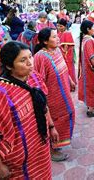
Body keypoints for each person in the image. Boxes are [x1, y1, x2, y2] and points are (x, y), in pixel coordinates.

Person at [0, 41, 55, 179]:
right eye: (23, 60)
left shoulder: (34, 77)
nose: (30, 63)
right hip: (18, 165)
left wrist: (51, 126)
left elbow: (43, 106)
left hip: (39, 151)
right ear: (9, 65)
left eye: (30, 57)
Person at [33, 28, 75, 162]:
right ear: (45, 41)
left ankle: (57, 144)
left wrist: (70, 80)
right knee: (54, 122)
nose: (58, 39)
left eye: (57, 36)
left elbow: (63, 68)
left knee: (67, 115)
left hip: (64, 94)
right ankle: (52, 149)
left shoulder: (57, 50)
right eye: (54, 37)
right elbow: (38, 82)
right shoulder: (40, 57)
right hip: (52, 99)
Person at [57, 18, 77, 84]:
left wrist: (63, 53)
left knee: (68, 69)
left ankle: (70, 84)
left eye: (61, 26)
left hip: (66, 56)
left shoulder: (67, 33)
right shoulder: (59, 33)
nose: (59, 27)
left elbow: (66, 47)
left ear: (65, 26)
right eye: (58, 26)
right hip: (60, 55)